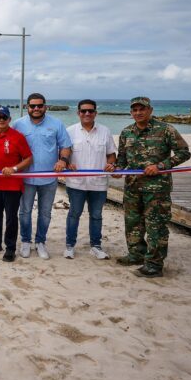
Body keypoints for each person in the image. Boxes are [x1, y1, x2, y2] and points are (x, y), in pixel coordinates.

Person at [114, 96, 191, 278]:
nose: (138, 113)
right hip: (132, 187)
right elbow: (122, 159)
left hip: (157, 189)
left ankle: (154, 265)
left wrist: (161, 166)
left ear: (150, 110)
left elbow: (184, 152)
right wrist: (117, 169)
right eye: (135, 110)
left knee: (156, 226)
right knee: (133, 223)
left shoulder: (166, 130)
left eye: (142, 109)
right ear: (131, 112)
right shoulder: (126, 132)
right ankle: (136, 254)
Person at [12, 93, 72, 259]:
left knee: (45, 213)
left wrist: (63, 160)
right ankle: (25, 241)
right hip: (25, 178)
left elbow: (66, 146)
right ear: (27, 107)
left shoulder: (57, 124)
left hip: (49, 179)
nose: (36, 108)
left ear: (45, 106)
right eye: (33, 106)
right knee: (25, 212)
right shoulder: (18, 124)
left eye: (40, 105)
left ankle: (40, 242)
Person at [64, 100, 117, 260]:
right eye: (83, 111)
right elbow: (64, 154)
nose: (87, 114)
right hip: (76, 183)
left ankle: (96, 246)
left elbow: (111, 154)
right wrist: (67, 164)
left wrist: (111, 164)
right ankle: (69, 246)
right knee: (74, 214)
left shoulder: (105, 131)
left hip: (98, 183)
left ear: (95, 113)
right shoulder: (70, 131)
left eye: (90, 111)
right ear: (78, 113)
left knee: (96, 215)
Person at [0, 106, 33, 262]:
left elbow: (28, 158)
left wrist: (14, 169)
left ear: (9, 119)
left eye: (4, 117)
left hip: (13, 186)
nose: (1, 120)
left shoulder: (18, 137)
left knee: (11, 218)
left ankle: (10, 248)